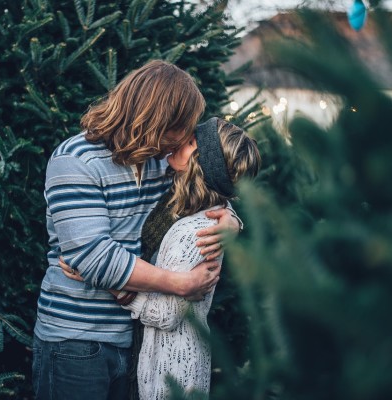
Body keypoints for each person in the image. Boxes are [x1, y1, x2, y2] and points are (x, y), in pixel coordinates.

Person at [32, 60, 241, 400]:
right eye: (182, 128)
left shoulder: (160, 160)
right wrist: (179, 283)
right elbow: (96, 259)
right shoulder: (76, 160)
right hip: (77, 341)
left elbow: (208, 185)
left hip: (135, 337)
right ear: (157, 120)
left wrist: (231, 219)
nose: (188, 137)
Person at [121, 117, 261, 399]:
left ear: (203, 165)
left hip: (172, 368)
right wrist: (234, 218)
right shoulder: (181, 199)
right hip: (154, 354)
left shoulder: (199, 232)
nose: (181, 140)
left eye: (191, 142)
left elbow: (167, 314)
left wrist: (114, 286)